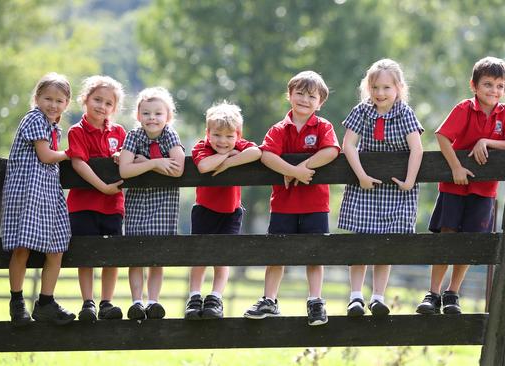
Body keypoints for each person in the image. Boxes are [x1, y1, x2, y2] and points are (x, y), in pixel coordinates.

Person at [416, 57, 505, 315]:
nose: (493, 90)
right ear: (473, 85)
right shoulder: (465, 108)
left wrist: (486, 140)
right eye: (487, 84)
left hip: (484, 191)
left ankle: (453, 293)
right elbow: (442, 136)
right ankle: (434, 293)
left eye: (499, 85)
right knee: (447, 236)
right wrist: (456, 168)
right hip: (454, 187)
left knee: (469, 241)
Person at [243, 71, 340, 326]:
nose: (305, 100)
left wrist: (302, 166)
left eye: (311, 96)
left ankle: (316, 300)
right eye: (299, 93)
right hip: (284, 205)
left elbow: (330, 151)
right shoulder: (279, 129)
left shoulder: (323, 127)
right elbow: (266, 155)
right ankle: (269, 300)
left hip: (315, 205)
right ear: (289, 96)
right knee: (277, 252)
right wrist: (292, 171)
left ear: (320, 103)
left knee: (314, 253)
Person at [338, 59, 424, 317]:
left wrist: (409, 181)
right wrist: (362, 176)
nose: (380, 93)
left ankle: (377, 296)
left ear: (398, 88)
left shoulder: (405, 113)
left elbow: (416, 148)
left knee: (385, 244)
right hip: (366, 186)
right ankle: (355, 296)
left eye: (387, 87)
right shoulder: (362, 111)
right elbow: (349, 145)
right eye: (375, 87)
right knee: (362, 241)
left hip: (396, 191)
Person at [1, 72, 76, 326]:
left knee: (56, 248)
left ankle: (46, 301)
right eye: (47, 98)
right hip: (28, 191)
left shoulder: (55, 126)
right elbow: (45, 156)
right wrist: (70, 153)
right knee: (22, 248)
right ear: (37, 98)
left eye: (59, 100)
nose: (53, 105)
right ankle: (16, 301)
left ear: (67, 103)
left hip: (47, 193)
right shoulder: (34, 119)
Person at [185, 101, 262, 320]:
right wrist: (227, 157)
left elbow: (256, 153)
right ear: (208, 133)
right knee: (199, 257)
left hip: (231, 212)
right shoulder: (201, 147)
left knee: (222, 257)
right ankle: (195, 296)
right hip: (204, 210)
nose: (223, 141)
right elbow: (204, 166)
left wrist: (229, 163)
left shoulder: (241, 146)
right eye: (217, 135)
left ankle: (215, 297)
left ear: (238, 134)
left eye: (230, 136)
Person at [118, 87, 185, 320]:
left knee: (157, 254)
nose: (152, 118)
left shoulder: (170, 134)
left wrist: (147, 161)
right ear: (138, 116)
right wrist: (154, 165)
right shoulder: (134, 136)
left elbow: (178, 169)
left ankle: (153, 301)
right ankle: (137, 302)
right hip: (137, 203)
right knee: (136, 254)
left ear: (168, 116)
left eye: (158, 113)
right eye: (146, 113)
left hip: (163, 203)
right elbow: (125, 169)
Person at [66, 75, 126, 322]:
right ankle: (88, 302)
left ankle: (106, 302)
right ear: (85, 99)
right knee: (87, 254)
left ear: (114, 108)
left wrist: (122, 155)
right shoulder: (76, 131)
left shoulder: (120, 132)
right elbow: (79, 163)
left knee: (111, 255)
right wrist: (102, 186)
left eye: (108, 103)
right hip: (83, 205)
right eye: (97, 100)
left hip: (113, 206)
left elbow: (130, 157)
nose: (102, 106)